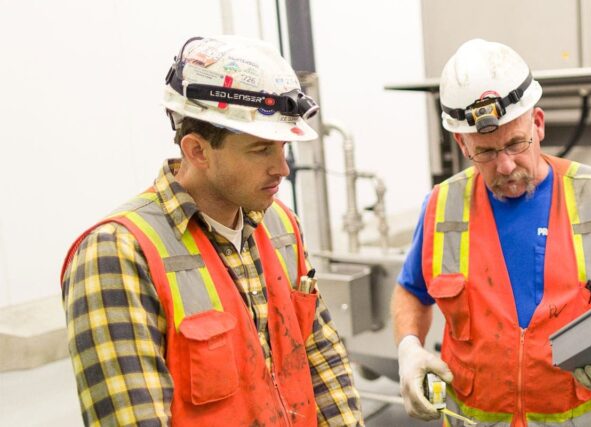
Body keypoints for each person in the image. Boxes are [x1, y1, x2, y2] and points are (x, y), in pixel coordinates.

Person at [60, 35, 363, 427]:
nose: (282, 168)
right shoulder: (116, 253)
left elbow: (322, 359)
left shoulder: (281, 225)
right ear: (197, 150)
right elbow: (133, 417)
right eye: (260, 150)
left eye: (283, 149)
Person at [391, 39, 591, 426]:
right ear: (462, 143)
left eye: (516, 143)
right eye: (485, 151)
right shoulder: (443, 206)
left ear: (537, 123)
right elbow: (410, 291)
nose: (505, 165)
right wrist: (409, 348)